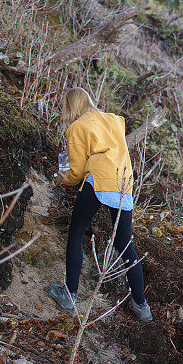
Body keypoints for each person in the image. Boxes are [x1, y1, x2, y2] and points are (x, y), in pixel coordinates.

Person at [47, 87, 152, 323]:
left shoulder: (78, 127)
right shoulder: (115, 121)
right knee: (126, 245)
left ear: (70, 106)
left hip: (98, 182)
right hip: (123, 183)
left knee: (76, 232)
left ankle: (69, 295)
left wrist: (64, 179)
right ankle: (141, 305)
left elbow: (76, 170)